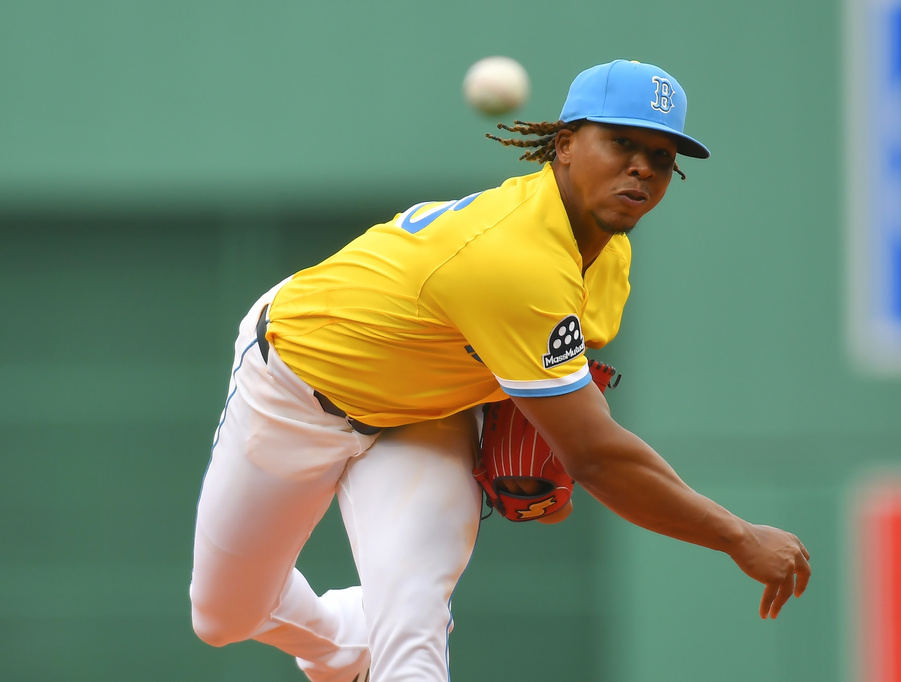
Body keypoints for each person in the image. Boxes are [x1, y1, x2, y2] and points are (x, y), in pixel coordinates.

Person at [190, 59, 811, 682]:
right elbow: (595, 457)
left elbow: (554, 391)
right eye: (621, 142)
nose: (643, 167)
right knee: (224, 618)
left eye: (662, 154)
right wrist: (736, 535)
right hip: (294, 387)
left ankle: (381, 630)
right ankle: (347, 640)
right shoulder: (516, 258)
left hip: (427, 418)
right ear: (565, 145)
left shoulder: (609, 257)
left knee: (412, 628)